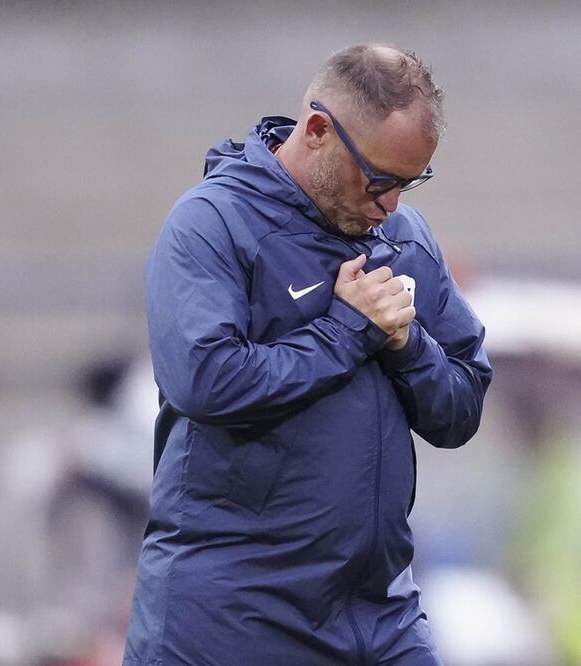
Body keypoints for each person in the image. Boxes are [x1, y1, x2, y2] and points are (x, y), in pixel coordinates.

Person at [123, 43, 492, 665]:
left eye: (409, 183)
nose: (391, 205)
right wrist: (349, 329)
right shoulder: (212, 224)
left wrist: (407, 345)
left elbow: (461, 407)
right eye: (378, 179)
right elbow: (207, 382)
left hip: (380, 617)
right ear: (318, 130)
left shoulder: (404, 239)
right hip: (233, 619)